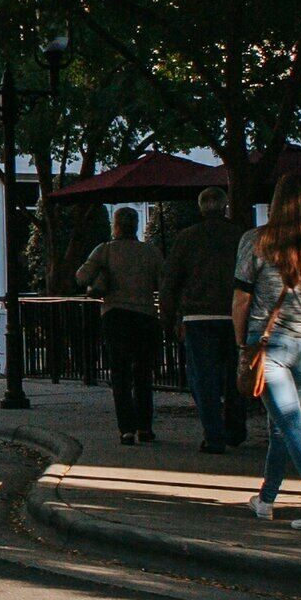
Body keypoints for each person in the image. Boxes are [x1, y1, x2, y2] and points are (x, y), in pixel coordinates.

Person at [233, 174, 301, 528]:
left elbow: (241, 298)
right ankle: (266, 498)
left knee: (290, 422)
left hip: (268, 343)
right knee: (283, 424)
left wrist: (243, 344)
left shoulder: (256, 241)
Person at [159, 186, 245, 454]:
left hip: (197, 316)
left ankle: (213, 434)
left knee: (203, 378)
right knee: (235, 375)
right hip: (234, 314)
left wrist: (168, 318)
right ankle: (235, 428)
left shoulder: (187, 238)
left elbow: (170, 282)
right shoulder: (240, 236)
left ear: (200, 208)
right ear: (225, 205)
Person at [75, 207, 166, 443]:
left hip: (115, 315)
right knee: (144, 373)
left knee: (120, 373)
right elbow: (163, 282)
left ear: (115, 225)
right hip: (145, 315)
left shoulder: (104, 250)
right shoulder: (150, 252)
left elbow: (81, 276)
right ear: (136, 225)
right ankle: (145, 427)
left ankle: (126, 428)